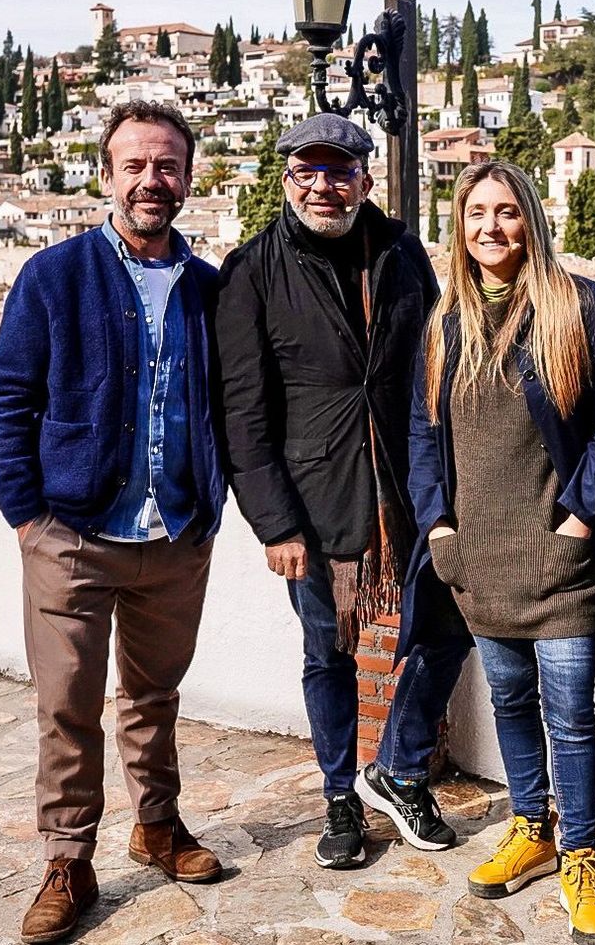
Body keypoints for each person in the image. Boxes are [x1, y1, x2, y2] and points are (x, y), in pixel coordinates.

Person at [0, 100, 226, 945]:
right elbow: (6, 398)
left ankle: (157, 826)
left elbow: (229, 406)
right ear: (106, 174)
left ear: (188, 179)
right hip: (73, 535)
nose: (152, 180)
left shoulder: (208, 289)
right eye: (136, 165)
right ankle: (67, 858)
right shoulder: (55, 274)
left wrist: (210, 506)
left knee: (154, 696)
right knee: (68, 704)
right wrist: (25, 514)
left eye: (168, 166)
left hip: (175, 534)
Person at [407, 160, 595, 945]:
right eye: (477, 212)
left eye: (507, 211)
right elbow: (423, 433)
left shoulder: (576, 306)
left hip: (561, 563)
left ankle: (580, 855)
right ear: (460, 223)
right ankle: (533, 826)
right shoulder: (445, 319)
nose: (492, 227)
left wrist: (579, 522)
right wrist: (439, 529)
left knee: (570, 716)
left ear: (532, 221)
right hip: (478, 561)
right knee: (512, 702)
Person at [214, 113, 470, 870]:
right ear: (286, 178)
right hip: (313, 502)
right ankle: (339, 799)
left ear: (365, 178)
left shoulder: (398, 253)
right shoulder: (251, 270)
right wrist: (274, 524)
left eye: (339, 171)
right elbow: (243, 412)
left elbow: (436, 364)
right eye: (308, 171)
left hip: (410, 486)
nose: (323, 186)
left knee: (447, 623)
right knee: (329, 655)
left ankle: (396, 760)